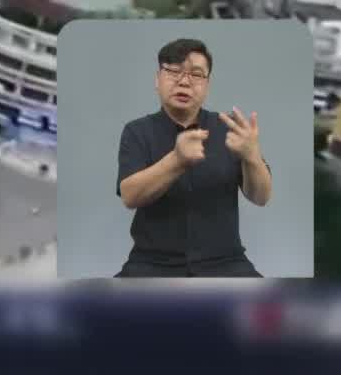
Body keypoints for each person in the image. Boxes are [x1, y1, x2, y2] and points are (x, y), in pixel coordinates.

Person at [113, 38, 272, 277]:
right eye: (174, 71)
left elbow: (261, 197)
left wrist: (252, 157)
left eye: (196, 75)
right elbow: (129, 196)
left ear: (207, 84)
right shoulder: (137, 131)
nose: (184, 81)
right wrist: (176, 161)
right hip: (151, 264)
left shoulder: (230, 130)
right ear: (157, 79)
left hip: (226, 264)